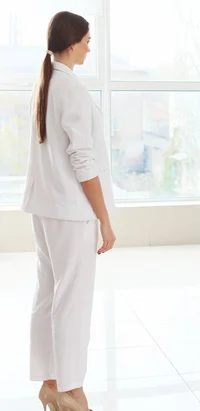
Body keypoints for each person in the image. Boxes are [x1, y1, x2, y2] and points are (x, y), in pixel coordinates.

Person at [22, 11, 116, 411]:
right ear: (73, 41)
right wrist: (105, 220)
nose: (90, 46)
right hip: (70, 210)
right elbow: (83, 159)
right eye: (88, 40)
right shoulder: (70, 89)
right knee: (72, 301)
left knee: (48, 294)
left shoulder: (45, 83)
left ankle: (50, 381)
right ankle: (71, 390)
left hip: (44, 206)